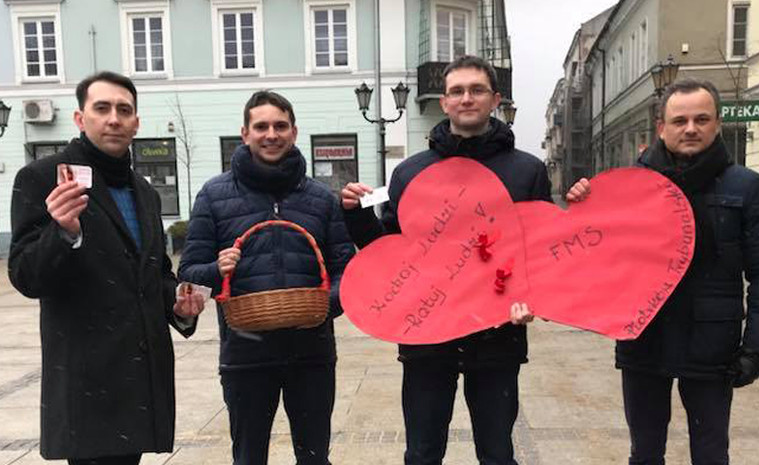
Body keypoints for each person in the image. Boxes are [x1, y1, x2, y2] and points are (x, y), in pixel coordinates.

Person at [340, 55, 551, 465]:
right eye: (457, 91)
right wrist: (355, 215)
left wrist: (533, 298)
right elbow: (389, 251)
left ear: (496, 99)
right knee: (422, 453)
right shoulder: (410, 172)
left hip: (497, 336)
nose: (466, 98)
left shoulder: (527, 171)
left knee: (497, 454)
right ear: (444, 102)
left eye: (477, 90)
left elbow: (540, 251)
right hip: (426, 337)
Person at [567, 78, 759, 465]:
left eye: (701, 119)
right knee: (644, 453)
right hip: (645, 337)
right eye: (679, 121)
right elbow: (596, 258)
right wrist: (583, 207)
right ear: (661, 127)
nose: (690, 128)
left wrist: (758, 348)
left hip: (712, 343)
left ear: (717, 123)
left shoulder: (746, 187)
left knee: (710, 454)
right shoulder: (629, 185)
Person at [8, 71, 205, 465]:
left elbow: (154, 273)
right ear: (80, 118)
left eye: (124, 110)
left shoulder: (143, 190)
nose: (114, 119)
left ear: (136, 123)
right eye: (102, 108)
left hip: (140, 379)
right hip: (88, 384)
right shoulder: (42, 178)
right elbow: (26, 275)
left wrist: (178, 305)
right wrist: (63, 233)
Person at [178, 91, 355, 465]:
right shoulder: (214, 195)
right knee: (248, 458)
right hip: (246, 354)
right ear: (245, 134)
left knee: (314, 458)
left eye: (280, 126)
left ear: (294, 132)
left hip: (312, 353)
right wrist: (216, 269)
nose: (271, 134)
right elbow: (189, 274)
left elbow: (346, 270)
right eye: (261, 127)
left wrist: (324, 306)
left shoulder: (321, 199)